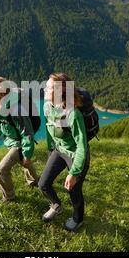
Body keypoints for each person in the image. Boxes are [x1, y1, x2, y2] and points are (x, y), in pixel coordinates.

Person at [39, 73, 90, 232]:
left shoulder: (73, 114)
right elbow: (49, 130)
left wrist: (74, 172)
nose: (45, 89)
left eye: (49, 87)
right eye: (46, 86)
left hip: (76, 155)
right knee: (43, 184)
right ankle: (56, 206)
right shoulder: (48, 106)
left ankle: (78, 219)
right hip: (59, 150)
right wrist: (50, 150)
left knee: (73, 189)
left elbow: (82, 146)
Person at [0, 76, 40, 203]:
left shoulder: (16, 109)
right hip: (11, 139)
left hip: (20, 142)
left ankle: (9, 196)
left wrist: (27, 153)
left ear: (1, 93)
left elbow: (27, 134)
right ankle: (35, 181)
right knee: (24, 162)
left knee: (2, 169)